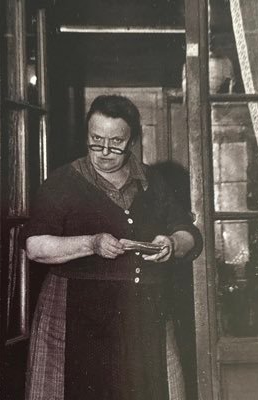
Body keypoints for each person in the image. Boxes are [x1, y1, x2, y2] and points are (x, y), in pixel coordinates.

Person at [22, 95, 202, 400]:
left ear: (132, 140)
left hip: (143, 313)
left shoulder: (153, 182)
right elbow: (35, 247)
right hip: (76, 317)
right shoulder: (61, 183)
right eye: (96, 140)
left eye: (116, 141)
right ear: (87, 135)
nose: (105, 151)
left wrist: (172, 243)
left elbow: (190, 235)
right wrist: (91, 243)